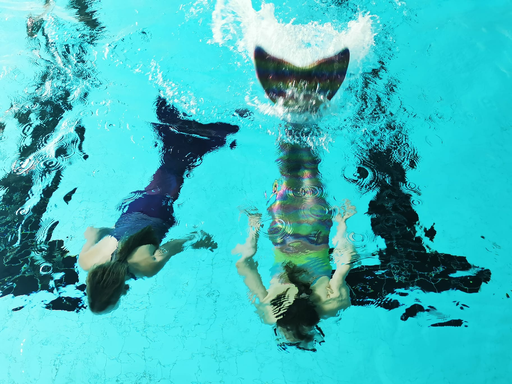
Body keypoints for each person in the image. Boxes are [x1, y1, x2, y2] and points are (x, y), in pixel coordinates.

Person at [232, 46, 356, 350]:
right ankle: (290, 106)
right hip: (283, 227)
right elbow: (244, 264)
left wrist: (340, 225)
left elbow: (346, 260)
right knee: (290, 168)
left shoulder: (329, 302)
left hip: (315, 226)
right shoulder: (271, 306)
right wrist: (253, 229)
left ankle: (306, 103)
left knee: (309, 166)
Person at [79, 97, 238, 314]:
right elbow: (93, 231)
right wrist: (115, 233)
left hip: (159, 213)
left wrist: (200, 241)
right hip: (133, 208)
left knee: (178, 166)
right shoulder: (87, 262)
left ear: (119, 293)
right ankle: (178, 128)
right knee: (172, 167)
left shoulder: (145, 267)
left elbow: (176, 244)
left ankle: (202, 131)